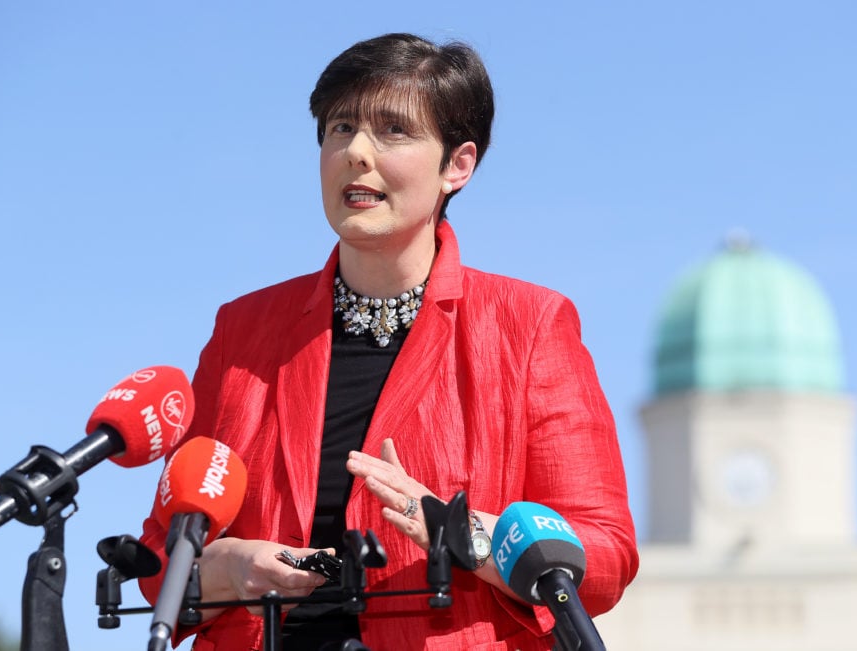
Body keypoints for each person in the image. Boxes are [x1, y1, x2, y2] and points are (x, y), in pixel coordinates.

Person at [139, 32, 638, 651]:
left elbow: (605, 556)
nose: (355, 152)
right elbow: (161, 557)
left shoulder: (529, 325)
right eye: (340, 128)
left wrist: (459, 534)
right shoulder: (243, 331)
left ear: (457, 165)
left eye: (393, 131)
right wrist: (226, 567)